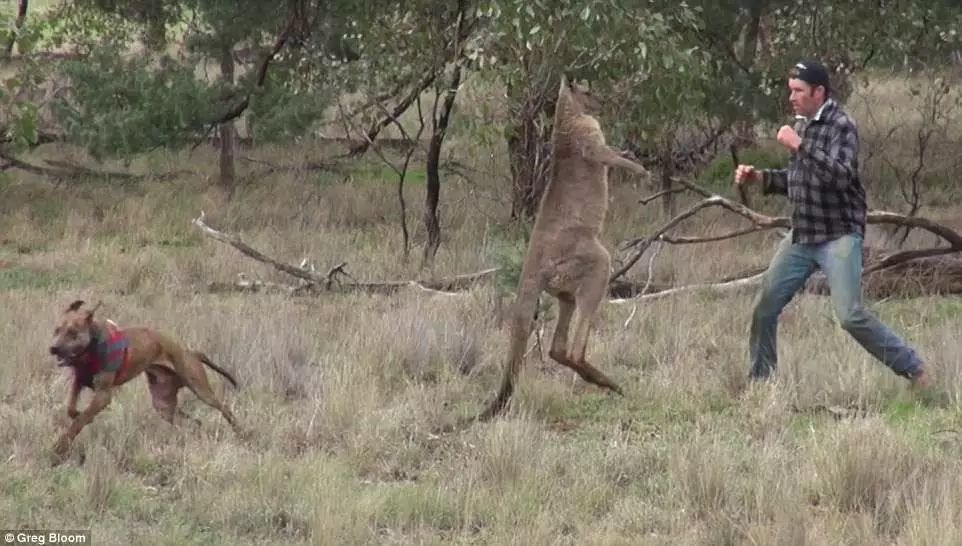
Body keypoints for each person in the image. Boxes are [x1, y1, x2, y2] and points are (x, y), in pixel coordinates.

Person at [734, 59, 932, 388]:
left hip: (838, 234)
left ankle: (915, 369)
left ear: (819, 92)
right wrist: (760, 178)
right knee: (764, 307)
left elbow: (840, 176)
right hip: (803, 234)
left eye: (798, 91)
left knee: (850, 316)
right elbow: (800, 179)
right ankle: (761, 383)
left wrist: (801, 146)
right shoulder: (802, 124)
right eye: (790, 91)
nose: (792, 98)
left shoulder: (842, 125)